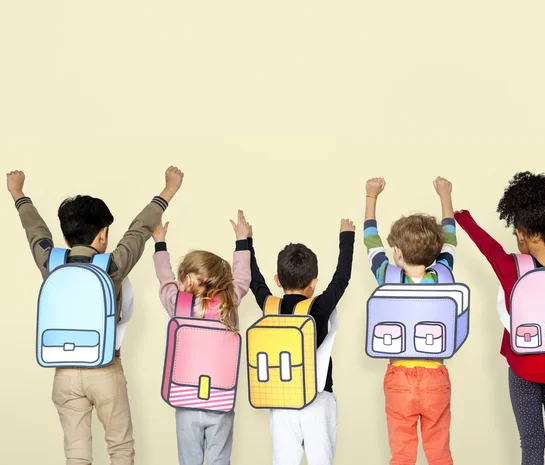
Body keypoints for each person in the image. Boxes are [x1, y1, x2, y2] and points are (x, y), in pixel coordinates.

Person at [6, 166, 184, 465]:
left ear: (65, 235)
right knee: (120, 449)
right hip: (104, 369)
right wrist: (169, 190)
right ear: (102, 235)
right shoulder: (112, 265)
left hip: (63, 374)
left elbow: (35, 231)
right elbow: (139, 231)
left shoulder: (51, 262)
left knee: (76, 454)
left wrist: (18, 193)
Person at [454, 171, 545, 465]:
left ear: (520, 233)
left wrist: (463, 218)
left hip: (523, 368)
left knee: (532, 445)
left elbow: (489, 248)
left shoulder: (513, 267)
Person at [364, 176, 457, 465]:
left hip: (400, 378)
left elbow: (371, 243)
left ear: (399, 254)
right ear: (435, 252)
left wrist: (371, 197)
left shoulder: (388, 277)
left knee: (402, 454)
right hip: (435, 379)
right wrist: (444, 195)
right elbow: (451, 237)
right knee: (439, 452)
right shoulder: (442, 275)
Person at [248, 216, 356, 465]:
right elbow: (342, 278)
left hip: (281, 400)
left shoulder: (270, 306)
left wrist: (246, 242)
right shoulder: (319, 306)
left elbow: (255, 282)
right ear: (314, 283)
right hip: (318, 400)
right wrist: (346, 237)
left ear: (277, 280)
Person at [152, 210, 252, 465]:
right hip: (220, 400)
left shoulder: (179, 305)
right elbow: (242, 279)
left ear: (185, 279)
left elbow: (165, 281)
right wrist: (242, 241)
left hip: (186, 400)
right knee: (220, 460)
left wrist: (160, 244)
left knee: (189, 460)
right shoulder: (228, 304)